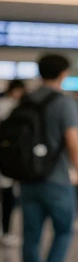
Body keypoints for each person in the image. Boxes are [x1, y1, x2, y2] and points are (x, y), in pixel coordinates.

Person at [17, 55, 78, 262]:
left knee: (31, 238)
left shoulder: (25, 100)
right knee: (64, 231)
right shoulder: (64, 103)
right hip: (57, 180)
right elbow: (74, 143)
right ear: (64, 73)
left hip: (27, 180)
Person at [0, 80, 27, 248]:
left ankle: (6, 231)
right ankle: (6, 232)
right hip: (8, 159)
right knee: (8, 196)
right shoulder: (13, 107)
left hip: (7, 160)